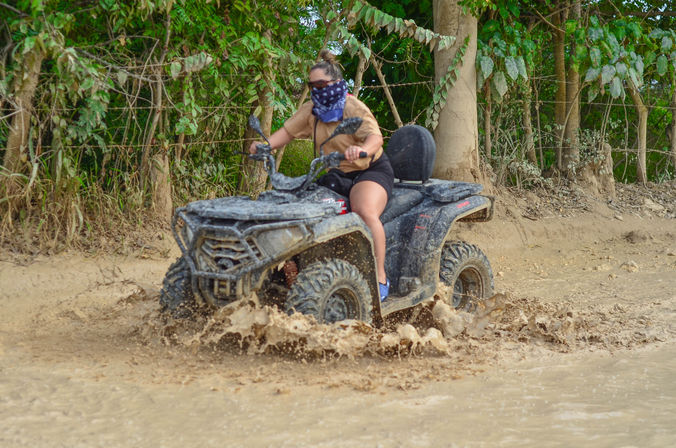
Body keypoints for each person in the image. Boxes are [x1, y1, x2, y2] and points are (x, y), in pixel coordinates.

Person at [249, 50, 394, 301]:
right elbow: (288, 133)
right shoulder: (312, 110)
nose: (316, 90)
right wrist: (265, 145)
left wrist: (361, 149)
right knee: (299, 208)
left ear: (336, 83)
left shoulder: (353, 107)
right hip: (335, 174)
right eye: (311, 85)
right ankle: (294, 269)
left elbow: (375, 138)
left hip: (368, 170)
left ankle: (380, 278)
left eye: (320, 85)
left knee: (364, 210)